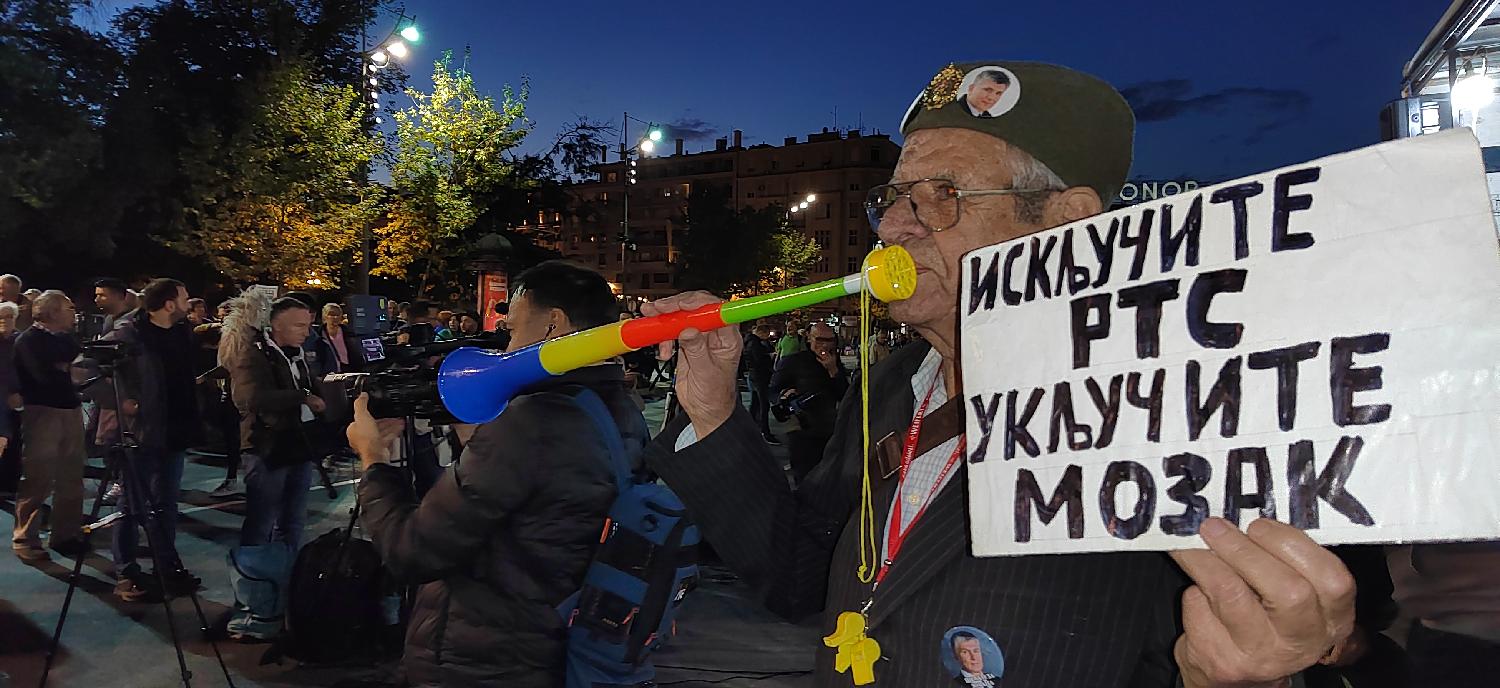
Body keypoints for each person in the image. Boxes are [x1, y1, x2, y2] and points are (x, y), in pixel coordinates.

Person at [638, 61, 1361, 687]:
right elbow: (803, 576)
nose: (893, 228)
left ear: (1064, 223)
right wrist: (713, 410)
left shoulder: (1166, 412)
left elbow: (1231, 643)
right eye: (892, 200)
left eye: (940, 195)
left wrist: (1229, 679)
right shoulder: (894, 382)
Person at [348, 260, 646, 688]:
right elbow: (547, 508)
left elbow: (412, 550)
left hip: (486, 656)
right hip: (560, 641)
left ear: (553, 324)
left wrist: (373, 457)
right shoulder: (619, 408)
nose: (506, 346)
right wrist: (478, 441)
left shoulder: (532, 420)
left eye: (512, 330)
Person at [222, 296, 327, 640]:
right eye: (299, 325)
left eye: (308, 325)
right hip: (266, 448)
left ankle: (284, 593)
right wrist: (302, 397)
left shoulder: (296, 354)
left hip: (297, 445)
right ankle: (253, 602)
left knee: (292, 522)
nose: (306, 332)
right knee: (260, 524)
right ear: (276, 324)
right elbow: (249, 398)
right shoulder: (253, 353)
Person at [96, 278, 203, 601]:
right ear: (169, 304)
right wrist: (123, 401)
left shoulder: (181, 332)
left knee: (166, 504)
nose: (188, 303)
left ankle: (165, 567)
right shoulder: (129, 333)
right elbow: (86, 369)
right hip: (141, 432)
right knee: (131, 505)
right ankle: (126, 573)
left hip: (175, 430)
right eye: (183, 297)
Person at [10, 290, 84, 562]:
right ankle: (25, 538)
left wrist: (68, 370)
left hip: (71, 409)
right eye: (69, 308)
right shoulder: (28, 340)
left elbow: (72, 369)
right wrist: (71, 371)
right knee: (38, 477)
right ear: (52, 312)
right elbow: (44, 376)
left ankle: (66, 534)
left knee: (71, 475)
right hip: (42, 413)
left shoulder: (66, 338)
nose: (74, 313)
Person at [770, 322, 847, 482]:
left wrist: (833, 370)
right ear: (809, 339)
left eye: (830, 340)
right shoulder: (793, 361)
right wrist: (784, 396)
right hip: (801, 430)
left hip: (830, 429)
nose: (824, 344)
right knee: (805, 478)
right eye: (819, 339)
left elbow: (845, 394)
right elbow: (773, 391)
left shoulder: (834, 361)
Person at [741, 324, 778, 444]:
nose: (767, 337)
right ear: (762, 332)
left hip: (753, 376)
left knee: (755, 402)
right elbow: (759, 360)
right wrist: (769, 357)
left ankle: (751, 428)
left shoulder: (750, 341)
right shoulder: (756, 344)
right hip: (760, 377)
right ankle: (765, 431)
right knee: (763, 404)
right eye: (767, 334)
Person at [0, 302, 21, 495]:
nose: (4, 320)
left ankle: (10, 484)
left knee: (14, 443)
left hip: (15, 398)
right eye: (1, 316)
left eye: (9, 316)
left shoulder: (21, 341)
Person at [318, 303, 361, 373]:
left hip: (349, 369)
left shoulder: (348, 332)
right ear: (325, 316)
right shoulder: (319, 334)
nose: (335, 317)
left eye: (337, 315)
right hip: (329, 371)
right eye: (331, 314)